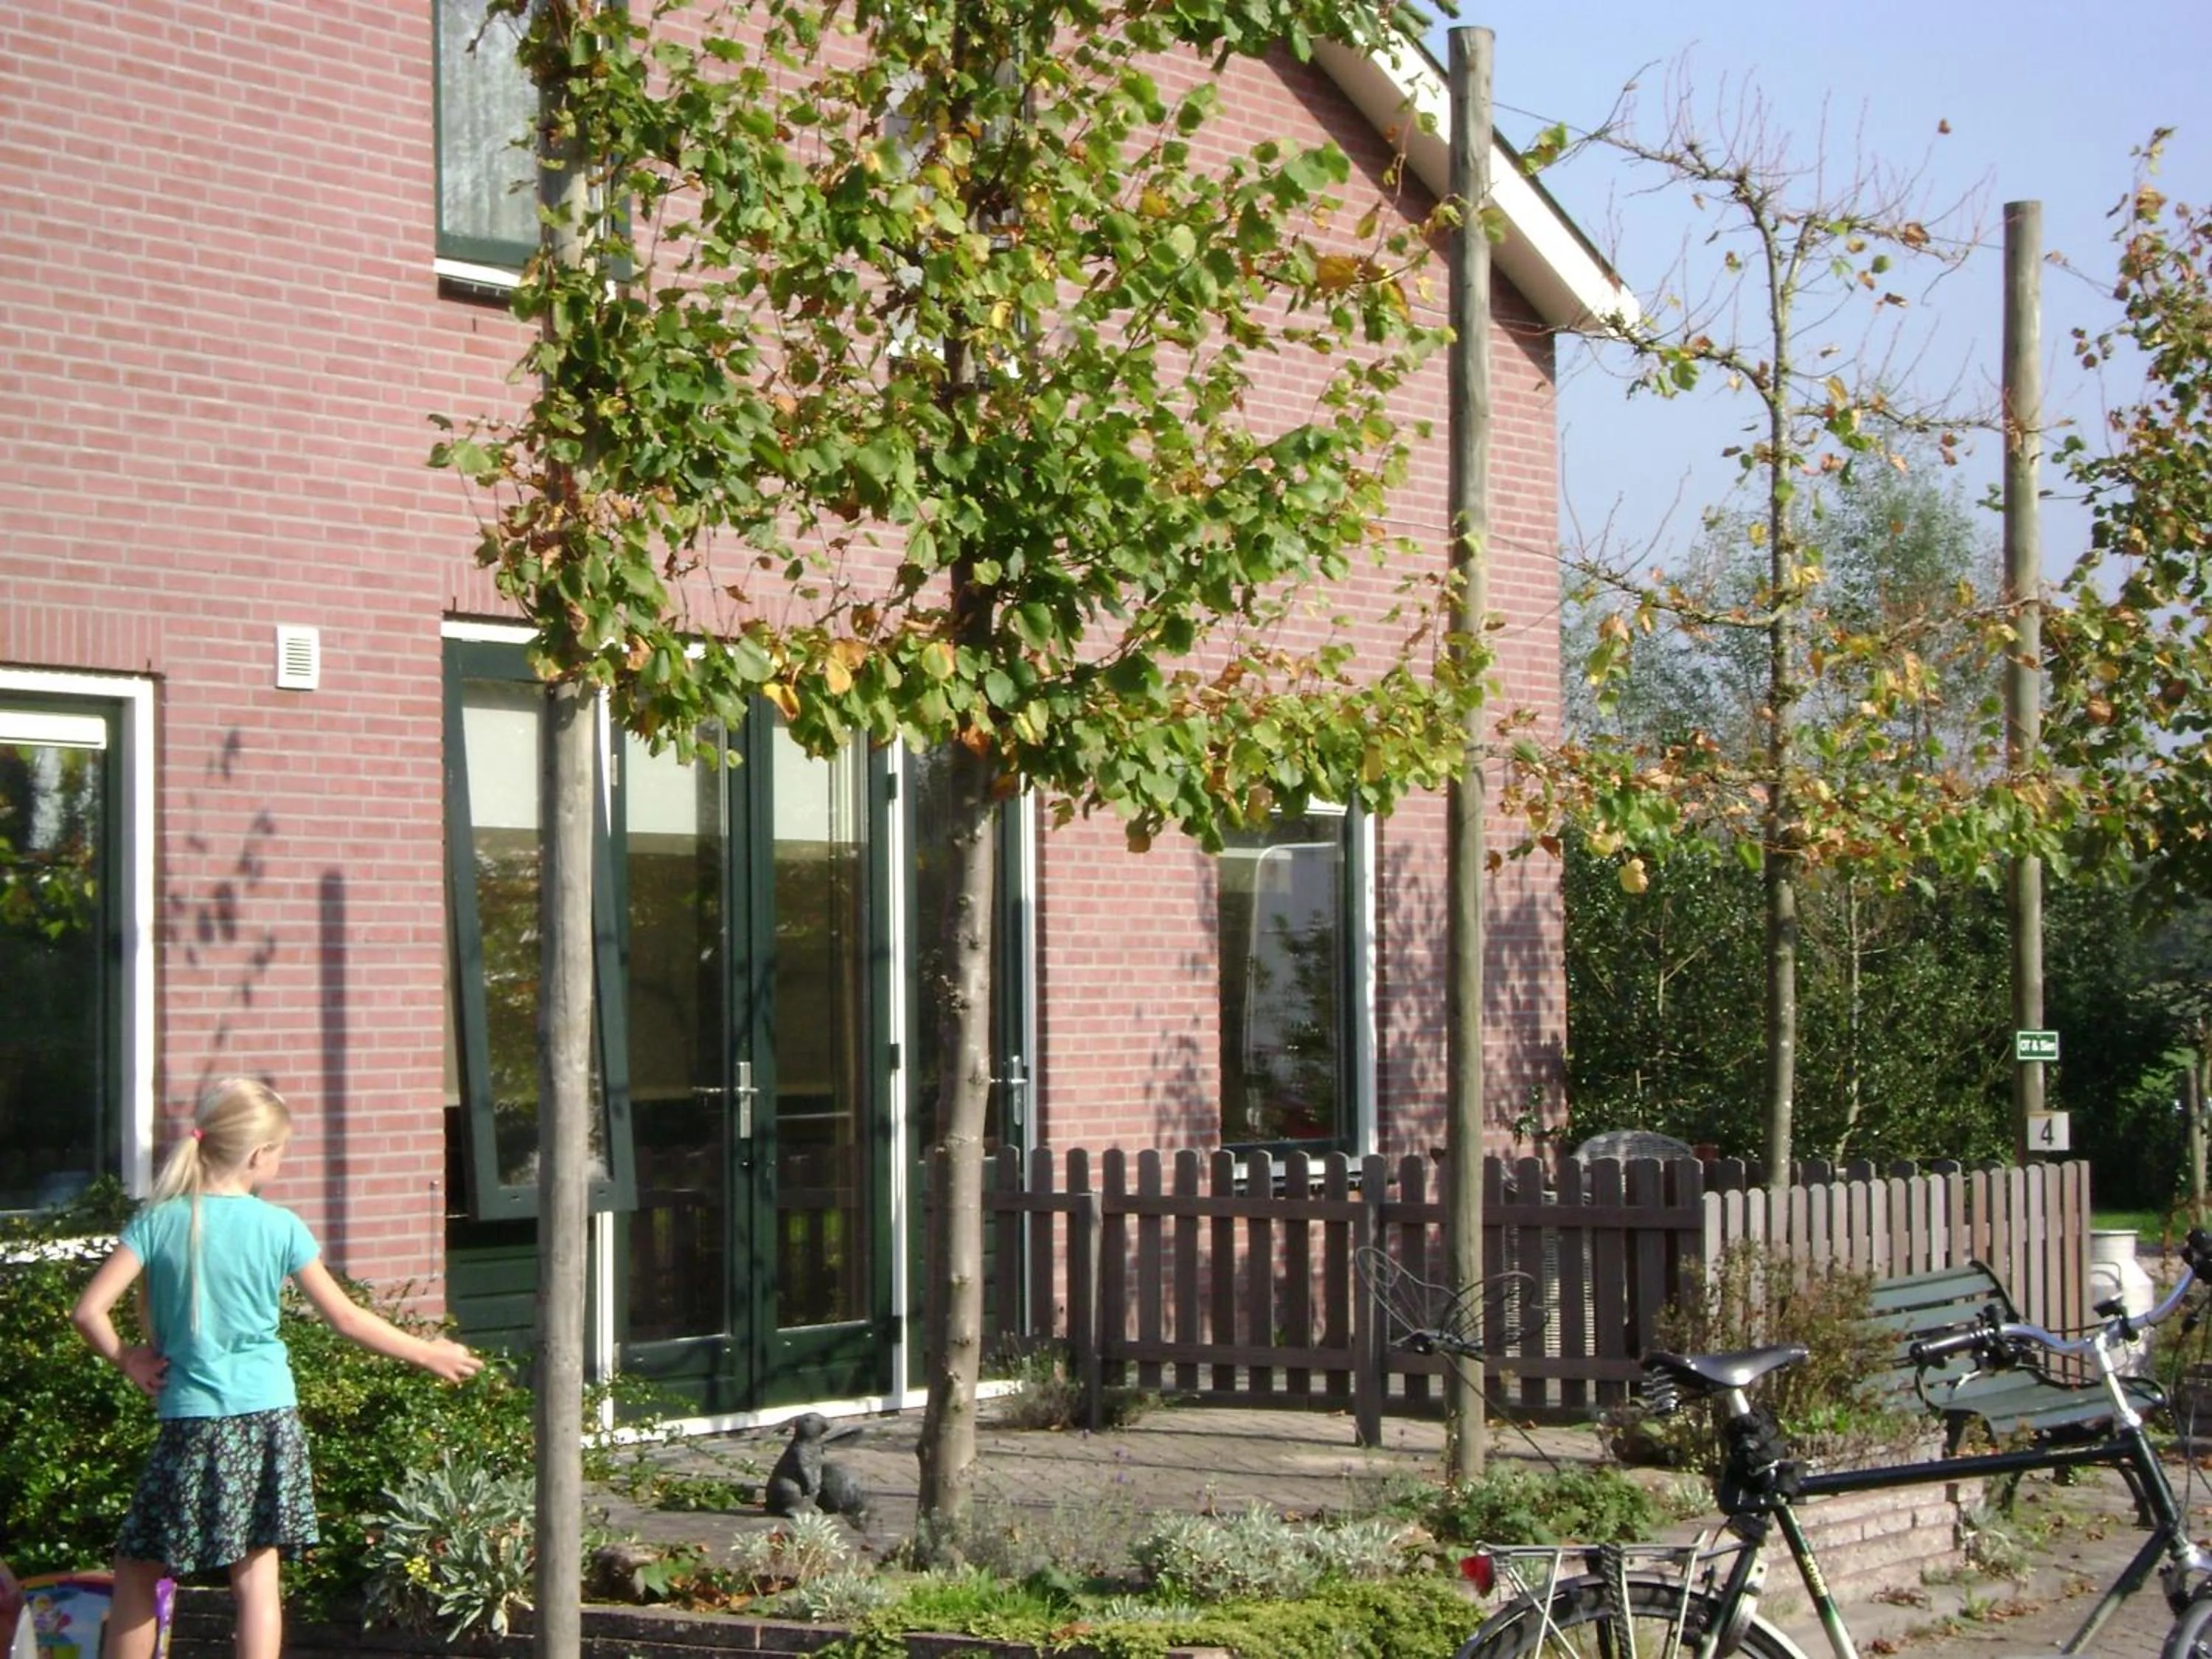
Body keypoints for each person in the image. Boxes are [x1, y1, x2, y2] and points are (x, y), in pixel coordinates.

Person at [71, 1077, 482, 1659]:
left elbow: (88, 1311)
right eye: (282, 1151)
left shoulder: (161, 1221)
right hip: (269, 1416)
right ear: (259, 1155)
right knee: (257, 1571)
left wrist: (126, 1359)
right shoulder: (281, 1226)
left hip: (194, 1422)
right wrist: (427, 1350)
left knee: (138, 1566)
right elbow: (346, 1318)